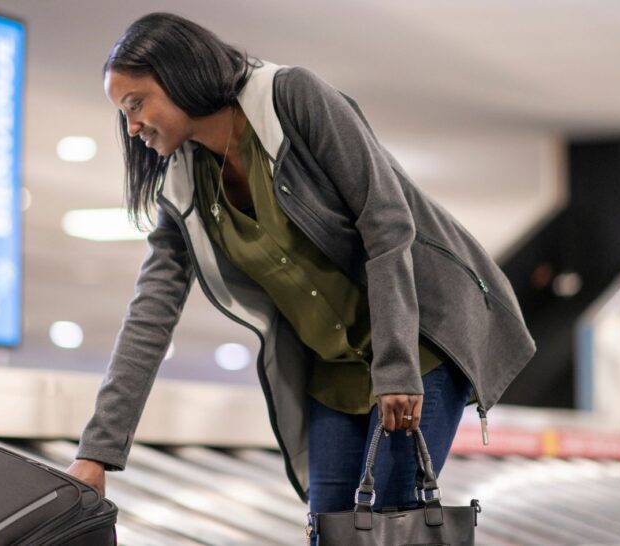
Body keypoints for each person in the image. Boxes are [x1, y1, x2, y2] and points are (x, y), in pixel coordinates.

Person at [66, 10, 535, 532]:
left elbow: (386, 222)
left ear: (179, 75)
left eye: (136, 104)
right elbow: (148, 319)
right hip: (331, 370)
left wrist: (397, 365)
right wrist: (97, 454)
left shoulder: (291, 98)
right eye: (123, 114)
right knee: (329, 526)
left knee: (390, 520)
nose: (131, 128)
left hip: (417, 341)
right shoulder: (182, 189)